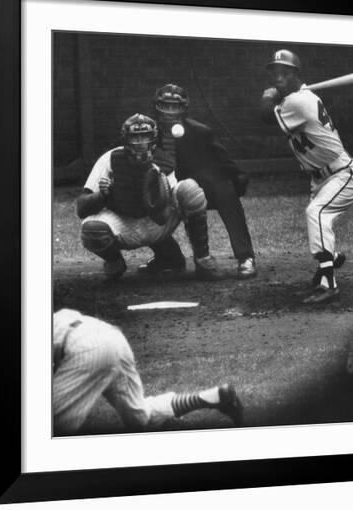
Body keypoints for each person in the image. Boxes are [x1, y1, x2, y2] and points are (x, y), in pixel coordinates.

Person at [260, 49, 353, 304]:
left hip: (343, 174)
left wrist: (267, 97)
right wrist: (276, 96)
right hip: (321, 178)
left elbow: (264, 117)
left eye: (284, 73)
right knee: (318, 218)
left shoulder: (297, 102)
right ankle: (330, 260)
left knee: (316, 213)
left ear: (296, 75)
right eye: (275, 74)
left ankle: (329, 283)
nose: (278, 79)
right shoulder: (298, 98)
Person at [76, 113, 223, 281]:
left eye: (145, 137)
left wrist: (156, 196)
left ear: (153, 139)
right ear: (125, 140)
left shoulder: (164, 162)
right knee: (92, 230)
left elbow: (162, 217)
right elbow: (81, 208)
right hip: (123, 222)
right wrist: (102, 195)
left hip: (156, 222)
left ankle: (202, 259)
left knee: (190, 189)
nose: (140, 144)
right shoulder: (109, 159)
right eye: (135, 138)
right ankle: (115, 261)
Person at [53, 308, 244, 434]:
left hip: (84, 347)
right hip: (113, 337)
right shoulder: (57, 316)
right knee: (140, 419)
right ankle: (211, 396)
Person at [138, 83, 257, 279]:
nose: (169, 112)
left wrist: (237, 181)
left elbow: (224, 162)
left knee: (225, 191)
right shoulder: (146, 133)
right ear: (156, 107)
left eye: (174, 106)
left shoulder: (200, 132)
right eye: (165, 106)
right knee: (140, 196)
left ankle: (245, 257)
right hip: (164, 191)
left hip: (197, 190)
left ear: (183, 108)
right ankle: (168, 258)